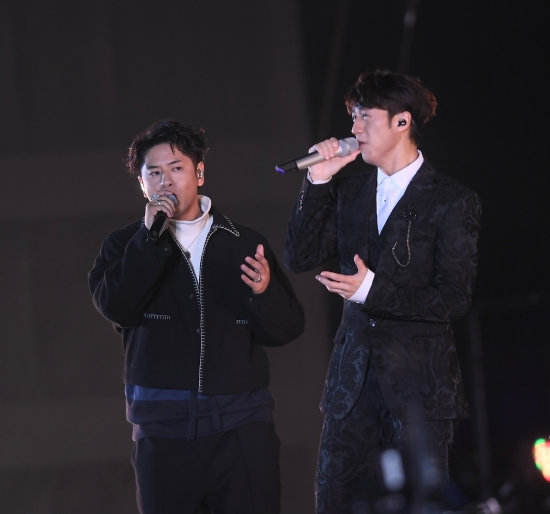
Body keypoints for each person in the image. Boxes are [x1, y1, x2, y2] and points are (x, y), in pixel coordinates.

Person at [284, 70, 481, 513]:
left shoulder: (452, 200)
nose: (353, 129)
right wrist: (319, 181)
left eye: (364, 117)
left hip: (419, 389)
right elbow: (299, 256)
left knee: (418, 504)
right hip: (351, 387)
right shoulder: (350, 190)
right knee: (336, 503)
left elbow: (454, 298)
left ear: (401, 121)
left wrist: (371, 289)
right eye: (352, 117)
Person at [89, 120, 305, 514]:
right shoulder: (123, 246)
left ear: (199, 173)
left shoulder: (243, 242)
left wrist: (264, 293)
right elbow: (115, 306)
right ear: (142, 184)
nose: (166, 181)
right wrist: (148, 240)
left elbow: (287, 327)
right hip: (164, 432)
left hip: (242, 427)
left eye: (176, 168)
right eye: (154, 172)